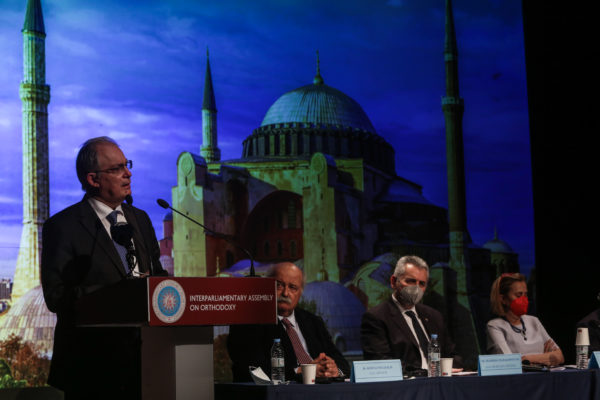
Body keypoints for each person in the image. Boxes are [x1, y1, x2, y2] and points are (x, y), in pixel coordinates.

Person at [41, 136, 167, 398]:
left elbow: (157, 275)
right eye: (117, 168)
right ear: (93, 179)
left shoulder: (141, 219)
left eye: (127, 164)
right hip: (91, 367)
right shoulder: (63, 226)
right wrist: (121, 293)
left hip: (147, 361)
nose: (128, 173)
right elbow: (56, 297)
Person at [227, 262, 350, 382]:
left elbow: (341, 362)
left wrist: (335, 370)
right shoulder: (250, 322)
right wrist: (302, 371)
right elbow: (253, 368)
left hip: (322, 389)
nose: (285, 293)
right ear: (267, 287)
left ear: (300, 292)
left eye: (292, 287)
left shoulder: (313, 322)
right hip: (283, 391)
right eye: (279, 286)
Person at [360, 255, 461, 373]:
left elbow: (453, 356)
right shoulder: (376, 317)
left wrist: (447, 368)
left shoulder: (434, 316)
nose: (416, 288)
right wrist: (425, 372)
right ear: (393, 281)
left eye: (422, 284)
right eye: (411, 281)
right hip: (407, 383)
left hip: (439, 381)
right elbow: (381, 363)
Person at [486, 273, 564, 366]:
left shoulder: (534, 321)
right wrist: (545, 357)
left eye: (525, 294)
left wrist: (527, 359)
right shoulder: (495, 326)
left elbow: (559, 356)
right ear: (503, 299)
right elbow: (510, 362)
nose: (524, 299)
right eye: (519, 295)